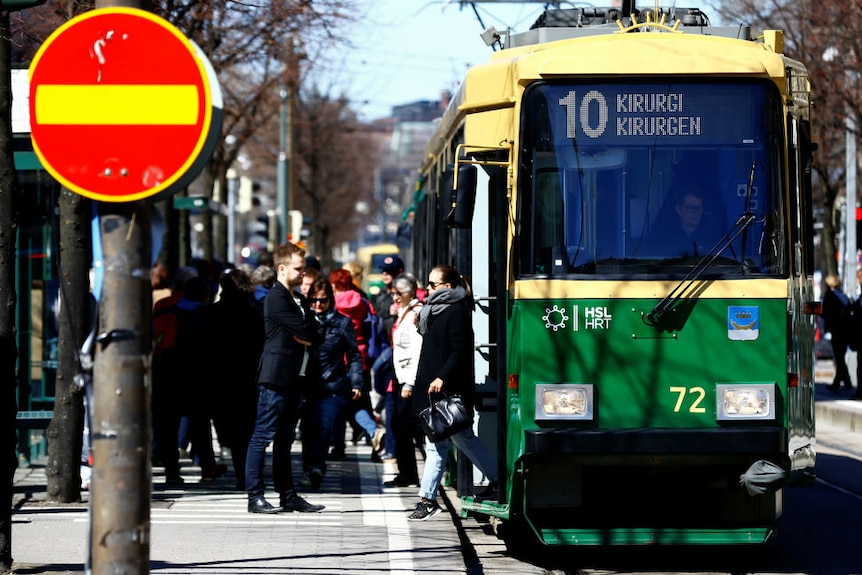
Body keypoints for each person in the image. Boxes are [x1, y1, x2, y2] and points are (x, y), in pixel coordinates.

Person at [407, 265, 498, 521]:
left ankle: (427, 500)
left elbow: (460, 351)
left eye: (432, 285)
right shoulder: (434, 311)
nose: (427, 289)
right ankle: (497, 479)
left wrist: (441, 377)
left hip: (447, 389)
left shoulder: (456, 312)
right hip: (437, 388)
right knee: (463, 440)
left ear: (447, 288)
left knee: (437, 446)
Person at [245, 242, 324, 514]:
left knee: (285, 439)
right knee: (262, 436)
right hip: (276, 377)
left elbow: (314, 332)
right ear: (282, 268)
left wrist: (307, 335)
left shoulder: (298, 299)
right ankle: (254, 496)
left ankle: (287, 494)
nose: (303, 274)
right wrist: (307, 333)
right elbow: (307, 329)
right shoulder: (276, 298)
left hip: (296, 377)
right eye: (298, 269)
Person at [300, 277, 365, 488]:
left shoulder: (342, 322)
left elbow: (354, 355)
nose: (317, 305)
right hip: (306, 385)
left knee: (323, 427)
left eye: (323, 300)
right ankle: (309, 468)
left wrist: (356, 382)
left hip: (333, 385)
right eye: (313, 301)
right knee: (307, 430)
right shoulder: (304, 321)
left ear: (331, 300)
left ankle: (317, 467)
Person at [208, 269, 264, 490]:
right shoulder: (254, 313)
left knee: (228, 427)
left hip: (221, 377)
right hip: (248, 377)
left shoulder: (213, 312)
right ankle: (246, 474)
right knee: (246, 429)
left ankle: (242, 471)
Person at [383, 273, 423, 488]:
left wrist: (409, 383)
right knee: (400, 425)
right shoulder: (404, 313)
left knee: (407, 425)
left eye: (399, 294)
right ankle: (406, 473)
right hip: (401, 376)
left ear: (410, 293)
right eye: (393, 293)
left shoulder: (414, 314)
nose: (395, 297)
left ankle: (409, 473)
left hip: (408, 379)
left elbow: (416, 351)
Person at [644, 190, 720, 258]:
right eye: (691, 208)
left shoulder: (712, 237)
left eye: (699, 208)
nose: (695, 213)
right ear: (678, 209)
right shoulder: (664, 237)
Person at [823, 274, 854, 393]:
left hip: (836, 330)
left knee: (839, 357)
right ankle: (845, 381)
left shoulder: (830, 295)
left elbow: (826, 312)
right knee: (840, 356)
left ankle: (842, 383)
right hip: (846, 330)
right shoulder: (843, 295)